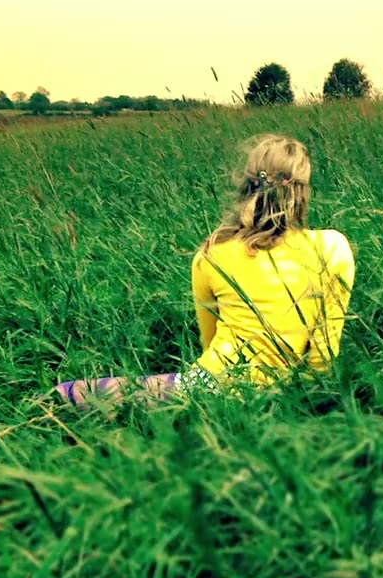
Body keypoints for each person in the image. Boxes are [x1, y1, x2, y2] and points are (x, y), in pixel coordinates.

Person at [50, 134, 355, 409]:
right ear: (302, 191)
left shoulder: (212, 253)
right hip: (283, 394)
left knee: (68, 395)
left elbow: (208, 341)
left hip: (211, 385)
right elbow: (323, 356)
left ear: (247, 186)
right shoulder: (332, 247)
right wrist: (302, 404)